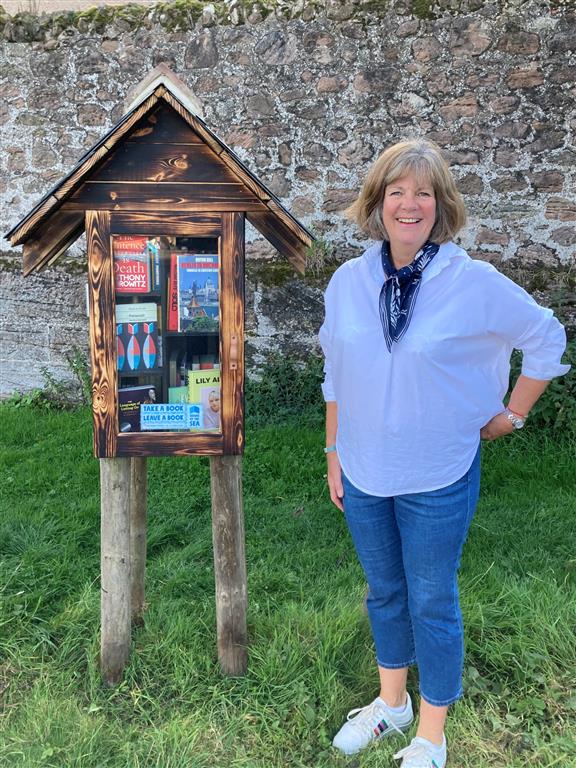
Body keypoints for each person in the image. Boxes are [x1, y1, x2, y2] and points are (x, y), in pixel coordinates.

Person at [319, 139, 570, 768]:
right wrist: (333, 451)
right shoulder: (349, 282)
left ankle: (431, 733)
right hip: (365, 466)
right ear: (376, 204)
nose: (409, 204)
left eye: (423, 193)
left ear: (441, 205)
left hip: (438, 470)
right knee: (383, 591)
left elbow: (546, 335)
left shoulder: (471, 282)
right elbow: (336, 374)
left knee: (431, 595)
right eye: (396, 192)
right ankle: (392, 706)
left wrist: (512, 413)